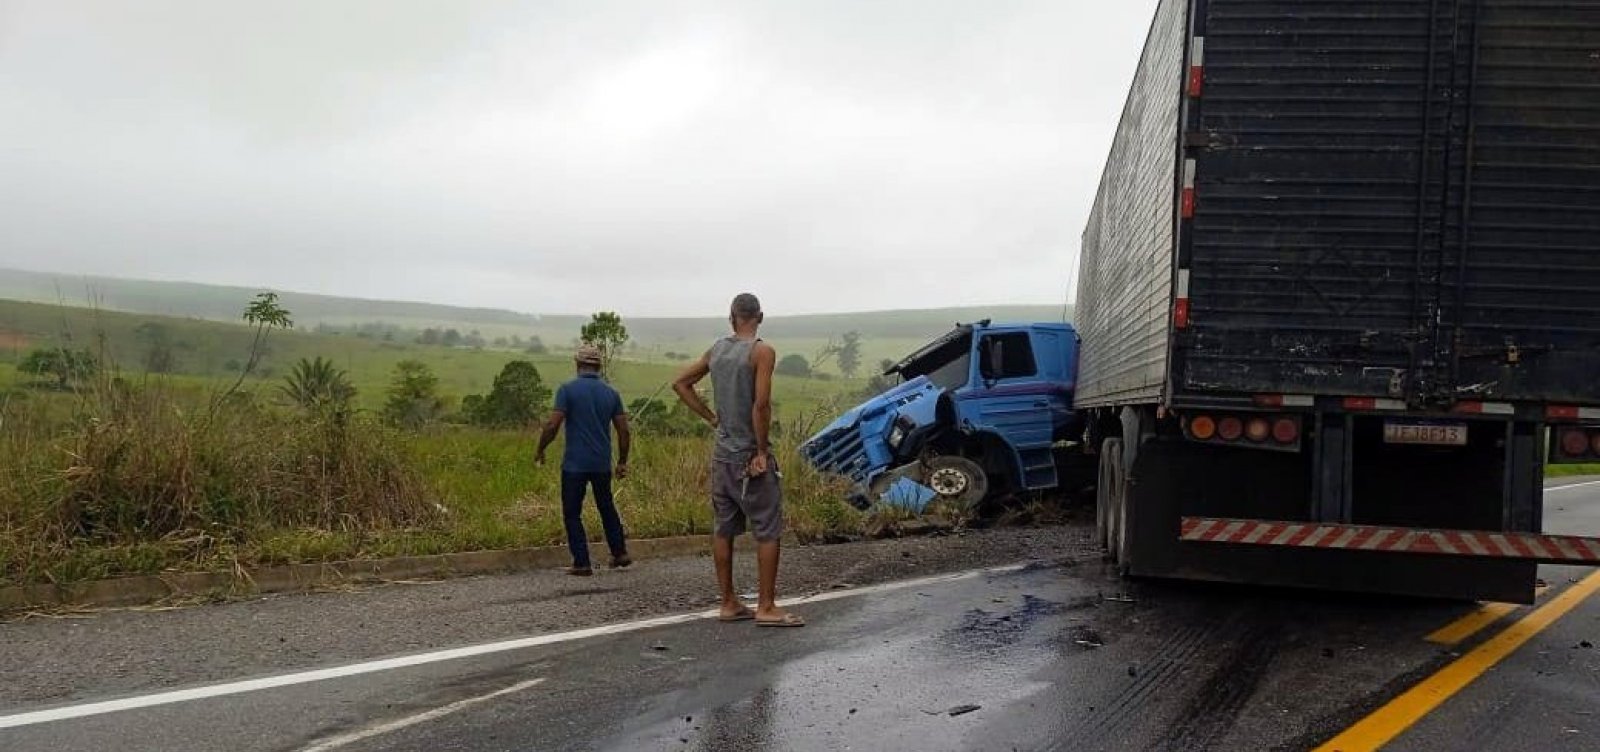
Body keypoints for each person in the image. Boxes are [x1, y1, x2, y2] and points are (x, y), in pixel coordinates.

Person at [672, 293, 804, 627]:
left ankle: (729, 602)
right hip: (748, 456)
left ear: (731, 317)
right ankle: (766, 606)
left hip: (722, 455)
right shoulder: (762, 352)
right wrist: (761, 452)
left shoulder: (717, 350)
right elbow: (761, 405)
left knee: (724, 529)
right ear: (759, 316)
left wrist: (711, 418)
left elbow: (680, 383)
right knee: (768, 529)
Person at [536, 344, 632, 576]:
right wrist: (621, 461)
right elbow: (623, 431)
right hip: (601, 464)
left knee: (572, 512)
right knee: (606, 507)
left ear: (577, 364)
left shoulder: (567, 390)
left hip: (574, 465)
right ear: (599, 366)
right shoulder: (611, 393)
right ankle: (619, 553)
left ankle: (581, 562)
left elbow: (552, 425)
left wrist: (540, 449)